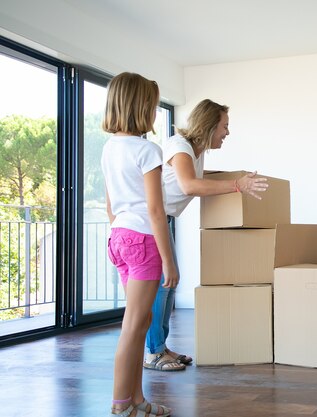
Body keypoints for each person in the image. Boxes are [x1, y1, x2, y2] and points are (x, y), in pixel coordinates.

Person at [143, 98, 269, 371]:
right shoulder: (180, 146)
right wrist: (237, 185)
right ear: (210, 125)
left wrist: (236, 177)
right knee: (163, 285)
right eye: (225, 126)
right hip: (150, 221)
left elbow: (199, 176)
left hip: (163, 220)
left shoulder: (194, 153)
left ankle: (161, 347)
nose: (227, 133)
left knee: (170, 284)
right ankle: (153, 352)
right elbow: (189, 185)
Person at [101, 72, 174, 416]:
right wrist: (170, 261)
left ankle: (137, 400)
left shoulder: (110, 148)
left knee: (140, 321)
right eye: (154, 106)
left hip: (119, 237)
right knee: (133, 326)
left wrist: (122, 233)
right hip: (143, 240)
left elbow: (110, 205)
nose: (156, 112)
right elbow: (156, 211)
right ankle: (120, 406)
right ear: (142, 107)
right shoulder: (147, 149)